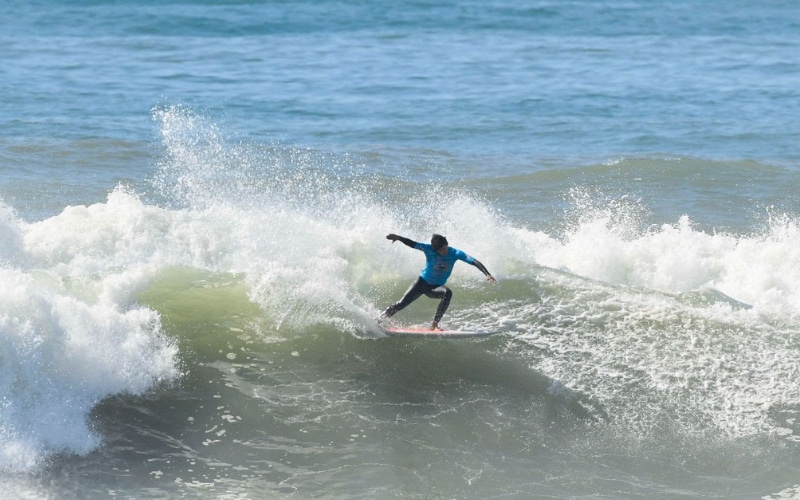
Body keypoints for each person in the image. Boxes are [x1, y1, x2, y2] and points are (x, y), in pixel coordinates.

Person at [379, 233, 496, 331]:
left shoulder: (455, 253)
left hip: (434, 288)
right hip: (420, 283)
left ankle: (434, 324)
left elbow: (474, 261)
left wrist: (487, 274)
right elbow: (413, 244)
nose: (442, 252)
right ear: (435, 249)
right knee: (400, 304)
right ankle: (379, 320)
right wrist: (399, 238)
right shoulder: (428, 249)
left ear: (447, 244)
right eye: (439, 250)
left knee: (447, 293)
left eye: (444, 248)